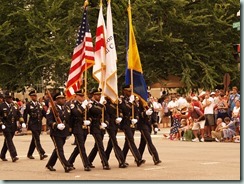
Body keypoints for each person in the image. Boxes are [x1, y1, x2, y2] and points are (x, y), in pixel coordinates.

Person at [45, 92, 74, 173]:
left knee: (57, 149)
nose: (63, 99)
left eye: (63, 98)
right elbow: (49, 121)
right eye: (61, 98)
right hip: (56, 132)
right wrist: (55, 125)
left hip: (64, 132)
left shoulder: (66, 108)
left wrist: (69, 131)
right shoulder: (52, 109)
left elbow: (69, 120)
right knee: (60, 150)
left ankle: (50, 164)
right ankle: (66, 165)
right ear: (56, 100)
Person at [118, 85, 145, 167]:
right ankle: (138, 159)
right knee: (131, 140)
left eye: (131, 91)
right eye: (128, 91)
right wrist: (130, 102)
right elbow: (124, 109)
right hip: (125, 122)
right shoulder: (120, 100)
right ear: (124, 91)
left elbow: (136, 110)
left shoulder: (132, 100)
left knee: (127, 142)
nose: (130, 92)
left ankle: (122, 160)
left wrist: (136, 118)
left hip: (132, 122)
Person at [67, 89, 91, 171]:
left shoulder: (85, 104)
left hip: (84, 128)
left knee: (79, 147)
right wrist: (83, 106)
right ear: (76, 96)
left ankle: (70, 162)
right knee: (81, 146)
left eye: (83, 96)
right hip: (77, 127)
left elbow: (89, 115)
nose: (82, 97)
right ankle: (86, 164)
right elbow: (76, 113)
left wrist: (89, 121)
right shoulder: (73, 104)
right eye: (80, 96)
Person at [87, 88, 110, 170]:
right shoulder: (90, 103)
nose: (99, 96)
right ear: (93, 95)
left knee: (97, 146)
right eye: (97, 95)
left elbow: (107, 115)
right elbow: (94, 111)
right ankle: (105, 163)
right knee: (100, 145)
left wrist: (106, 123)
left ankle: (88, 161)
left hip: (102, 126)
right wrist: (101, 104)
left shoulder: (102, 104)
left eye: (100, 94)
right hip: (95, 126)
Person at [0, 91, 25, 162]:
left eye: (11, 98)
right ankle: (14, 155)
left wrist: (22, 122)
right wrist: (1, 124)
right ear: (5, 98)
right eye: (9, 98)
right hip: (5, 126)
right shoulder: (1, 106)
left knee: (7, 141)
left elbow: (19, 114)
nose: (10, 99)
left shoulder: (14, 105)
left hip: (13, 126)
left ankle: (2, 155)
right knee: (9, 140)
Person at [23, 90, 48, 160]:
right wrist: (24, 123)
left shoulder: (39, 104)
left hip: (39, 124)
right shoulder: (28, 105)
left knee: (34, 139)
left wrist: (49, 119)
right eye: (33, 96)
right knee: (37, 139)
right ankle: (41, 153)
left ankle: (29, 153)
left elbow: (44, 113)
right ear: (31, 97)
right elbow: (25, 114)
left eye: (36, 95)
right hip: (33, 124)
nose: (35, 97)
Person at [104, 97, 127, 168]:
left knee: (111, 143)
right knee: (114, 142)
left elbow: (122, 110)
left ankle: (105, 158)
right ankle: (121, 161)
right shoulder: (106, 104)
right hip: (110, 125)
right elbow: (107, 113)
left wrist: (120, 117)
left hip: (115, 125)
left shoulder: (116, 103)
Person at [137, 99, 161, 165]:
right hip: (142, 125)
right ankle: (156, 158)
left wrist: (155, 125)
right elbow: (137, 114)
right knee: (149, 141)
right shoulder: (139, 103)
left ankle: (138, 158)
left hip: (148, 125)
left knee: (143, 143)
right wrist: (144, 113)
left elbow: (153, 115)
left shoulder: (149, 103)